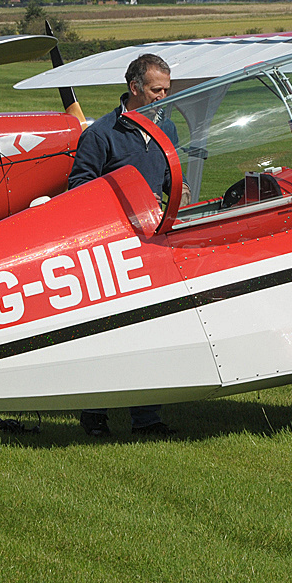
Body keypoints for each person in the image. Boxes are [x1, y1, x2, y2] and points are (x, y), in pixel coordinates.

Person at [68, 53, 178, 438]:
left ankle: (147, 419)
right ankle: (94, 411)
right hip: (113, 245)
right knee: (108, 331)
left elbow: (172, 180)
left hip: (155, 242)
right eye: (155, 90)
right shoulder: (100, 134)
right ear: (134, 88)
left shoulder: (169, 129)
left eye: (167, 89)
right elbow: (78, 189)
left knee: (153, 328)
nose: (162, 97)